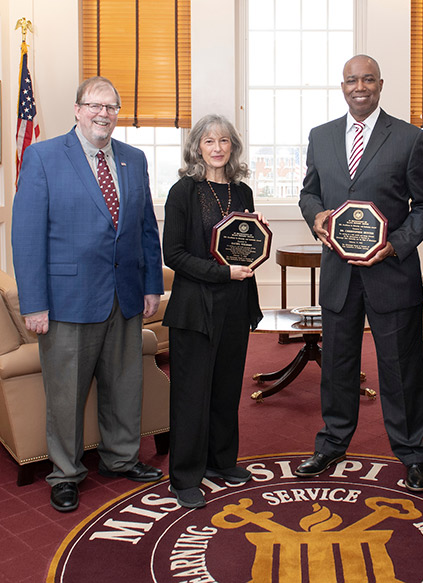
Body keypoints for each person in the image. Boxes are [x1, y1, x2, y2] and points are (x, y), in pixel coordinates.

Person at [12, 76, 165, 513]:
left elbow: (145, 228)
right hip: (66, 299)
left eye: (112, 107)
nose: (104, 113)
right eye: (94, 105)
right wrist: (35, 303)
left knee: (123, 384)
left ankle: (120, 458)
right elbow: (26, 237)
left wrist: (152, 284)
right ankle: (65, 472)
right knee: (66, 393)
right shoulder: (42, 157)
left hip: (126, 294)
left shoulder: (133, 160)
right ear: (77, 110)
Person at [296, 55, 423, 491]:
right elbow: (309, 192)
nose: (360, 86)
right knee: (337, 365)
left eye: (368, 79)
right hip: (339, 275)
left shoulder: (410, 138)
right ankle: (332, 442)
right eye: (352, 80)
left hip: (390, 275)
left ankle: (412, 453)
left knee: (401, 368)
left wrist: (395, 245)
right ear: (343, 86)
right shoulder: (320, 136)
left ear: (380, 84)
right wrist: (317, 216)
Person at [162, 114, 263, 509]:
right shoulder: (182, 191)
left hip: (235, 304)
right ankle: (185, 476)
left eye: (224, 141)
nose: (217, 148)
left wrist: (258, 242)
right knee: (191, 393)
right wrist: (222, 272)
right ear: (196, 148)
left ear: (233, 147)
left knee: (226, 388)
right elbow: (174, 254)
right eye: (209, 141)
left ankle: (221, 461)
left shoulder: (243, 193)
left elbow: (249, 246)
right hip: (195, 306)